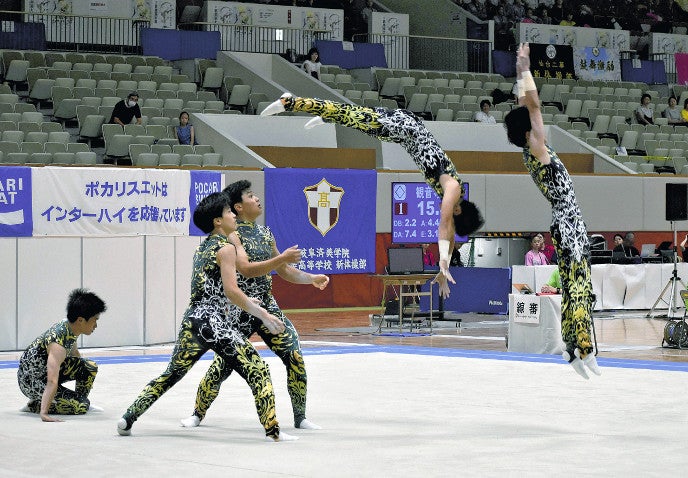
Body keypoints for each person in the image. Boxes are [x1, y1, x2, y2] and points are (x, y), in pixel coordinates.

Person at [260, 93, 485, 298]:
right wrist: (443, 262)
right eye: (450, 214)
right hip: (406, 128)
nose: (441, 211)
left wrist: (443, 269)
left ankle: (329, 117)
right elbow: (445, 225)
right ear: (458, 210)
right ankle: (291, 101)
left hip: (405, 133)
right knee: (352, 115)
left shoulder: (457, 197)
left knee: (357, 119)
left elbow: (450, 230)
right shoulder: (453, 189)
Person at [116, 192, 296, 442]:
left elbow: (211, 290)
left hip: (193, 321)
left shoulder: (203, 248)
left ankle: (128, 418)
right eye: (228, 212)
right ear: (217, 222)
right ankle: (272, 432)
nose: (234, 215)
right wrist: (263, 313)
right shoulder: (227, 248)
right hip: (214, 323)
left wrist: (248, 301)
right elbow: (232, 291)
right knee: (258, 368)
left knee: (170, 374)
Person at [180, 180, 329, 431]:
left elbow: (283, 270)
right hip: (241, 309)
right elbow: (247, 271)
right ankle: (197, 413)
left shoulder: (265, 233)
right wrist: (281, 258)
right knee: (223, 364)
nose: (257, 198)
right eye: (250, 195)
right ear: (237, 207)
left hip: (268, 306)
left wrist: (310, 278)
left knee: (294, 355)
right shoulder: (231, 236)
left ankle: (300, 417)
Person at [503, 43, 600, 379]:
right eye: (534, 123)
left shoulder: (531, 152)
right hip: (569, 224)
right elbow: (533, 105)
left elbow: (525, 108)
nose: (539, 122)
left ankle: (574, 347)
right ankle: (580, 347)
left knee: (580, 287)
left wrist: (519, 72)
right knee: (579, 286)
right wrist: (526, 67)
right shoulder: (539, 149)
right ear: (530, 132)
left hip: (567, 223)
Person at [17, 288, 106, 422]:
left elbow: (75, 355)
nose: (96, 325)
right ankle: (35, 405)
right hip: (31, 381)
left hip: (43, 372)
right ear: (81, 320)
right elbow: (51, 380)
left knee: (89, 367)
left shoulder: (70, 327)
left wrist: (84, 374)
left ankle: (80, 401)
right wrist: (44, 413)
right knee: (80, 407)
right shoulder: (57, 343)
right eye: (94, 320)